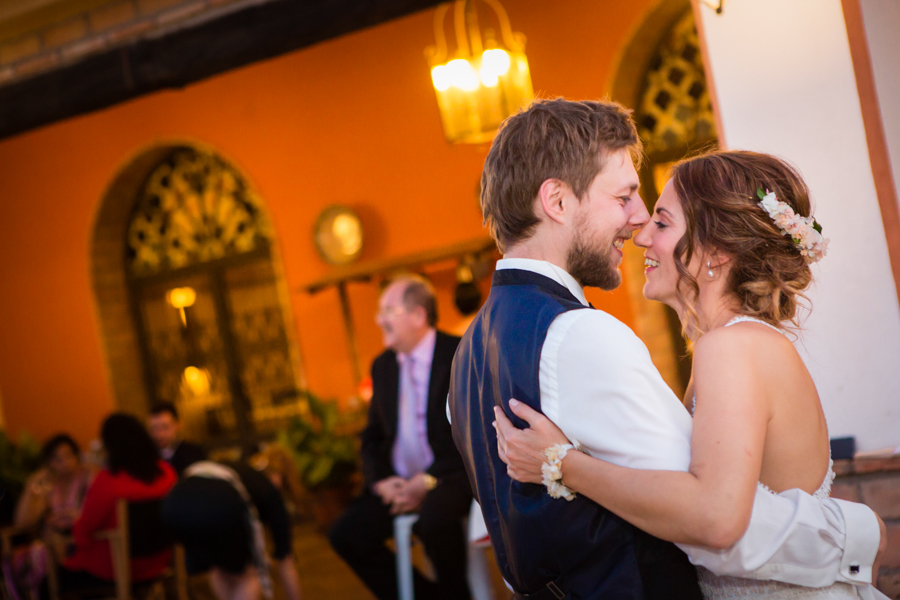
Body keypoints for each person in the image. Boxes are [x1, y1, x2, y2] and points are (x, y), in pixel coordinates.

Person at [448, 99, 886, 600]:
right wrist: (858, 534)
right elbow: (711, 515)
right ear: (557, 201)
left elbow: (713, 516)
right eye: (627, 198)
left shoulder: (466, 361)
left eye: (660, 220)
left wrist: (560, 462)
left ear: (716, 250)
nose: (638, 230)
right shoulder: (597, 335)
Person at [329, 275, 473, 600]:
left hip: (449, 477)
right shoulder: (382, 367)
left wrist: (427, 481)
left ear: (418, 316)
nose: (379, 319)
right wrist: (379, 481)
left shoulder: (458, 354)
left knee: (436, 520)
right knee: (345, 534)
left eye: (388, 310)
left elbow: (470, 432)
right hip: (398, 483)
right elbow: (372, 437)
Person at [60, 413, 177, 592]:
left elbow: (84, 533)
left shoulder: (108, 482)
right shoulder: (167, 474)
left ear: (109, 446)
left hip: (115, 569)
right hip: (161, 563)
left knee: (50, 579)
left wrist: (75, 522)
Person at [162, 459, 303, 600]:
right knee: (248, 576)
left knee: (218, 567)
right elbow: (285, 559)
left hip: (173, 505)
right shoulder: (269, 491)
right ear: (280, 476)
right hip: (218, 506)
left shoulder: (241, 470)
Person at [7, 434, 93, 598]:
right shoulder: (48, 484)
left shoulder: (88, 478)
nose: (64, 463)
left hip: (81, 540)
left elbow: (93, 515)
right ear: (49, 462)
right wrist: (32, 491)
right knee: (31, 557)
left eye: (68, 455)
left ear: (77, 455)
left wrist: (73, 517)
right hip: (52, 545)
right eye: (57, 459)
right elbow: (22, 522)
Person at [147, 402, 207, 476]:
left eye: (165, 427)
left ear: (178, 425)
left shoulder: (194, 453)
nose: (160, 434)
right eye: (154, 428)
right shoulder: (148, 457)